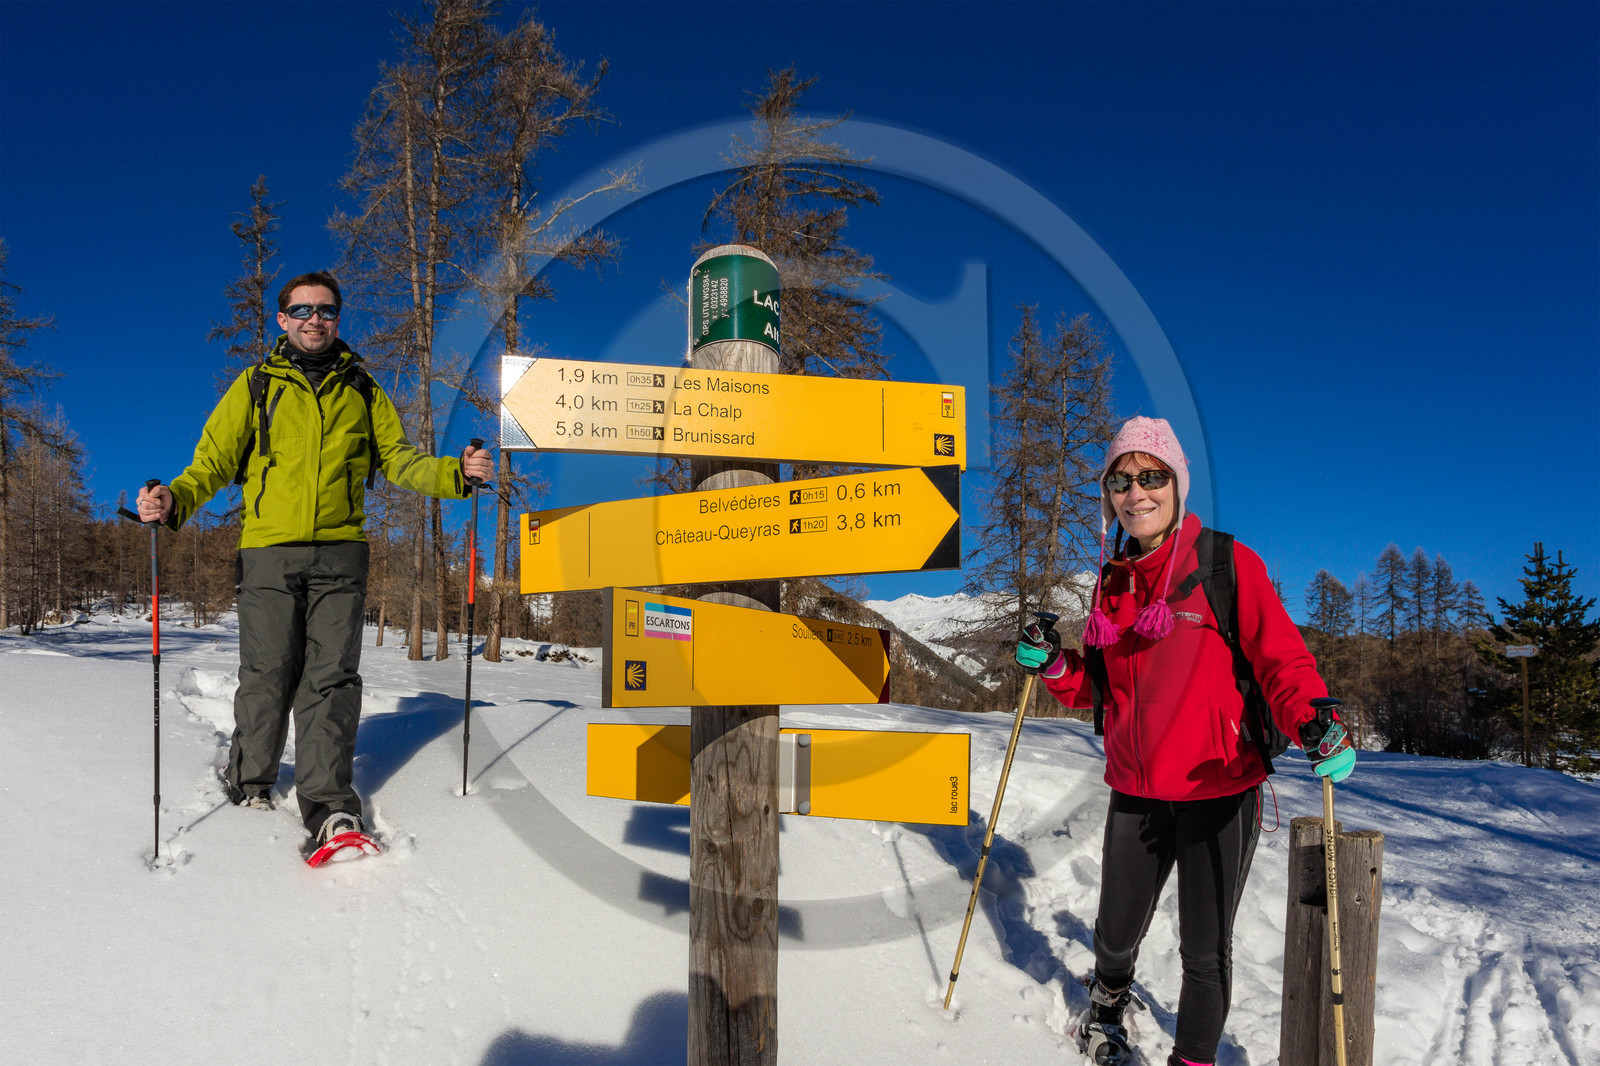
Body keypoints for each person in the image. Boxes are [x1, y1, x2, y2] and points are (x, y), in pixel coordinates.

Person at [1012, 416, 1354, 1066]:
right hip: (1136, 790)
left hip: (1218, 789)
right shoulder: (1111, 584)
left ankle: (1191, 1061)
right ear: (1109, 492)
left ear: (1177, 485)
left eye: (1151, 477)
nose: (1136, 492)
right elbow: (1100, 688)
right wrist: (1054, 664)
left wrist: (1314, 716)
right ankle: (1106, 1010)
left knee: (1205, 950)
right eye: (1121, 479)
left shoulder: (1227, 564)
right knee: (1115, 931)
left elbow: (1283, 661)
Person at [137, 270, 494, 862]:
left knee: (331, 678)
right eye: (302, 311)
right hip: (268, 552)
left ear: (337, 317)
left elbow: (402, 461)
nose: (314, 320)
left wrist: (456, 474)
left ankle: (329, 805)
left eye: (326, 311)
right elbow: (213, 463)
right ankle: (250, 778)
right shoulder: (255, 386)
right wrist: (173, 500)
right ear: (283, 320)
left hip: (340, 553)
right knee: (269, 671)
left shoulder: (362, 388)